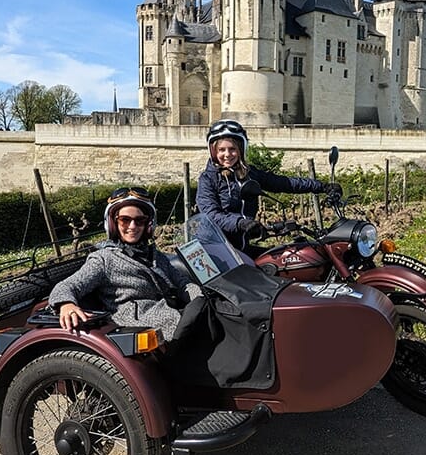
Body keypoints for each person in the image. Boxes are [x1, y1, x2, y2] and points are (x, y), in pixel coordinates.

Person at [48, 187, 201, 341]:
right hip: (139, 326)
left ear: (148, 223)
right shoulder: (104, 259)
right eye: (125, 220)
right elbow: (66, 286)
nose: (132, 226)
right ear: (113, 223)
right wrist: (67, 305)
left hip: (169, 318)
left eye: (139, 220)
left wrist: (202, 296)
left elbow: (182, 284)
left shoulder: (153, 255)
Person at [196, 119, 342, 257]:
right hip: (214, 251)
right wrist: (241, 223)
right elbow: (211, 215)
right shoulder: (208, 179)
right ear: (214, 152)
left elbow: (282, 183)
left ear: (241, 150)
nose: (227, 154)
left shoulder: (249, 174)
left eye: (232, 149)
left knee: (285, 263)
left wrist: (321, 186)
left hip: (239, 247)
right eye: (221, 150)